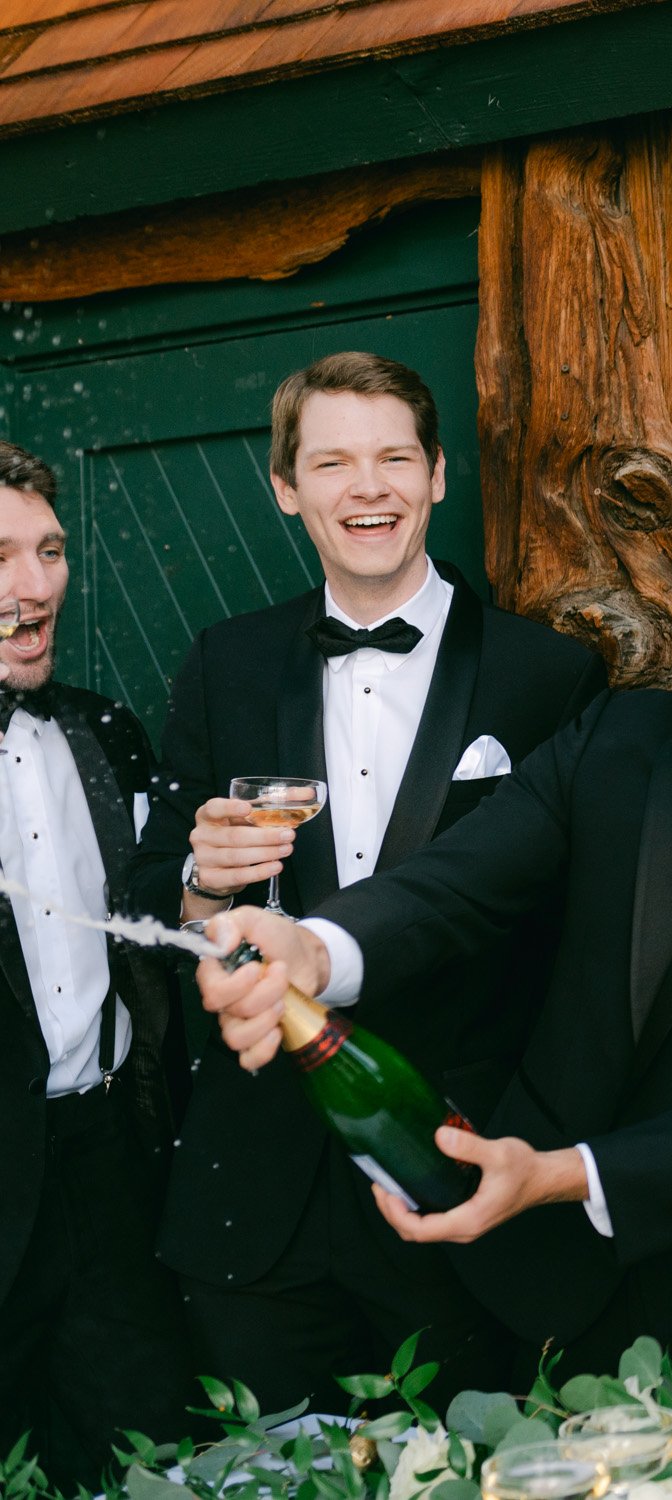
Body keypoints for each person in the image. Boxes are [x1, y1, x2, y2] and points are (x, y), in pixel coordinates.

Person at [193, 463, 672, 1389]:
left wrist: (567, 1173)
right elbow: (457, 884)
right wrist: (318, 948)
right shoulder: (614, 739)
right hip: (525, 1300)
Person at [124, 353, 606, 1410]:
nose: (369, 487)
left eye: (395, 457)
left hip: (458, 1183)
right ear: (288, 489)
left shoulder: (549, 677)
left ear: (438, 475)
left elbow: (579, 931)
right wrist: (206, 876)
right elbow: (157, 885)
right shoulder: (226, 662)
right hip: (256, 1197)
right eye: (332, 462)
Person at [0, 441, 191, 1486]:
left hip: (113, 1155)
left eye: (51, 550)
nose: (34, 588)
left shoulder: (101, 733)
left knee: (150, 1445)